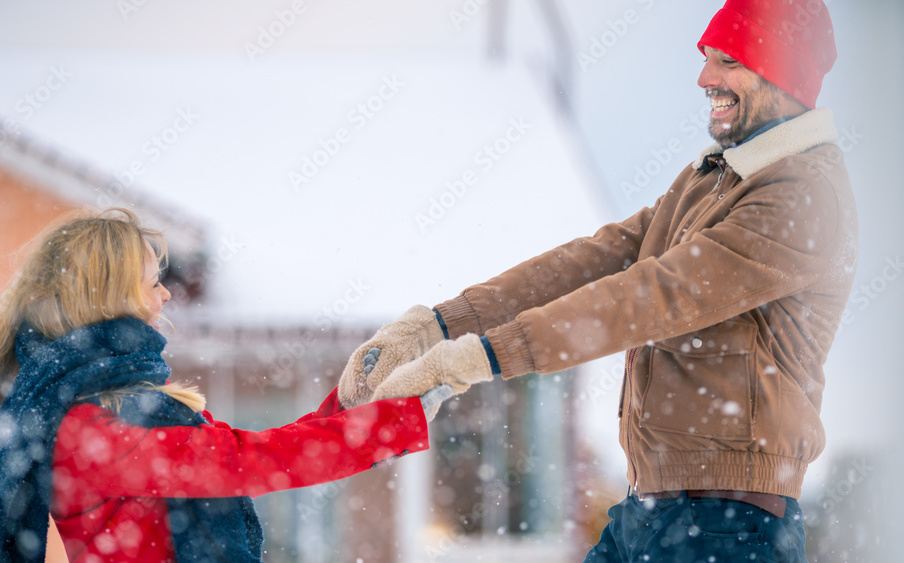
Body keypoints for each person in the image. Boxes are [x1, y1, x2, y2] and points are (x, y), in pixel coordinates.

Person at [338, 0, 857, 560]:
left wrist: (474, 360)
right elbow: (597, 260)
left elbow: (655, 295)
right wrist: (437, 327)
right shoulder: (710, 181)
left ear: (782, 71)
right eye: (707, 58)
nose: (704, 78)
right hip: (654, 508)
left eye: (728, 61)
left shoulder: (803, 196)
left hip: (729, 523)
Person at [0, 208, 431, 563]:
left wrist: (354, 404)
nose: (164, 296)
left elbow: (247, 451)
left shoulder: (115, 407)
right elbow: (251, 461)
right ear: (112, 297)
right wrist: (395, 422)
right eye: (151, 282)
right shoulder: (88, 429)